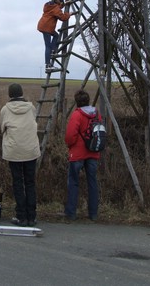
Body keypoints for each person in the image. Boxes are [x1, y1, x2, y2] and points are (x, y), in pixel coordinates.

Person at [0, 83, 41, 227]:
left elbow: (2, 128)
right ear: (22, 93)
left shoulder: (5, 110)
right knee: (30, 183)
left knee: (18, 183)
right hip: (30, 150)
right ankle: (32, 217)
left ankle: (21, 217)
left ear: (10, 94)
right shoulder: (31, 108)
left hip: (14, 151)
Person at [64, 89, 101, 221]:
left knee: (73, 182)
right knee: (92, 182)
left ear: (77, 101)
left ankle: (71, 212)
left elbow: (70, 135)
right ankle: (93, 213)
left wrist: (70, 145)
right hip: (93, 152)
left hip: (78, 153)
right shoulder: (96, 113)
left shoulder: (77, 115)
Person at [37, 0, 72, 72]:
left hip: (43, 25)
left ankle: (53, 50)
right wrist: (69, 14)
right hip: (47, 28)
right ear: (59, 2)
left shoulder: (49, 5)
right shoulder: (55, 8)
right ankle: (48, 65)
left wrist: (65, 3)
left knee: (56, 35)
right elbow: (63, 17)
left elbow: (57, 8)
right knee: (47, 46)